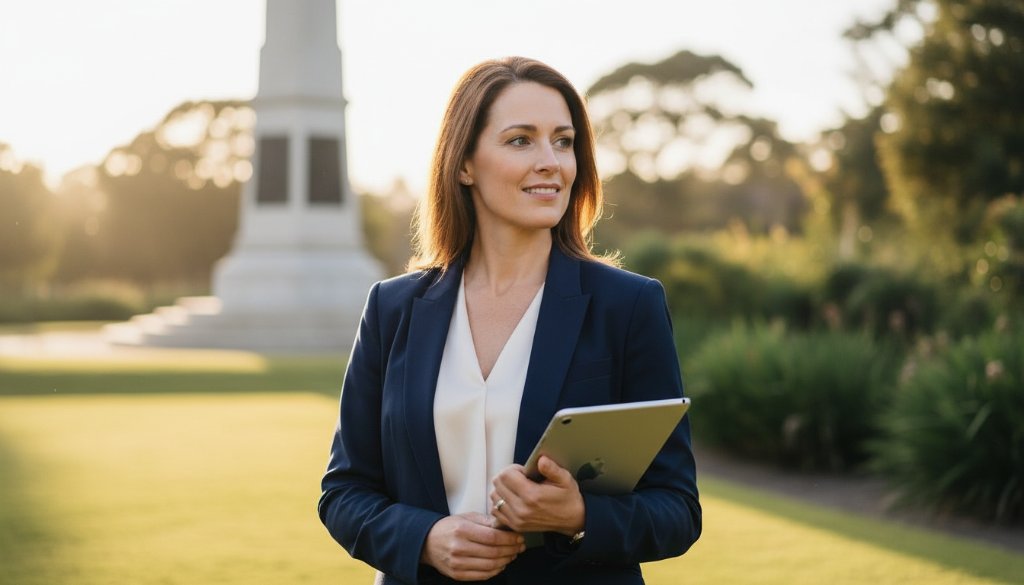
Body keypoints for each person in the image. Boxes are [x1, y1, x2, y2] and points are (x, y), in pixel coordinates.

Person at [319, 56, 701, 585]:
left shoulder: (628, 305)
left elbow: (678, 509)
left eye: (563, 141)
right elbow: (344, 493)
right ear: (464, 164)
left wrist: (579, 517)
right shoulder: (393, 309)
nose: (551, 161)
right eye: (521, 140)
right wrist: (425, 539)